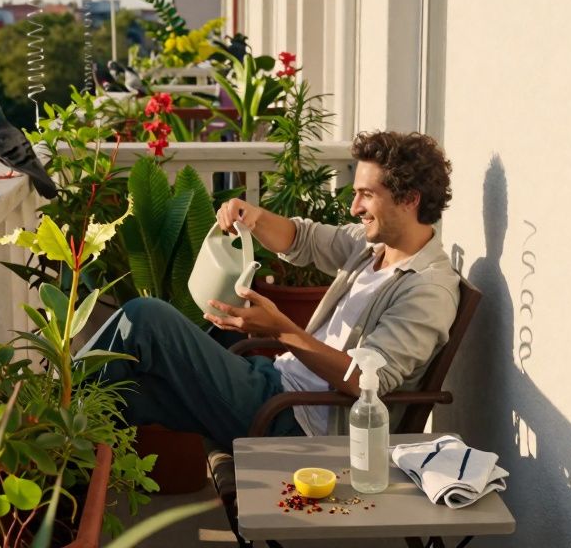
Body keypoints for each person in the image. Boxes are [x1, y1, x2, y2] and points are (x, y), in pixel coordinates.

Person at [86, 131, 460, 447]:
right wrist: (252, 216)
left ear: (410, 199)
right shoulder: (373, 247)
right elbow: (306, 239)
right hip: (275, 384)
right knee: (130, 392)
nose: (354, 207)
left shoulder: (427, 290)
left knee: (147, 318)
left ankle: (47, 410)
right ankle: (55, 464)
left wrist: (281, 330)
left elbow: (369, 381)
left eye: (367, 194)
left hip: (296, 420)